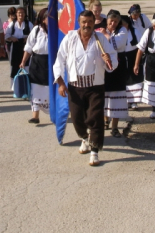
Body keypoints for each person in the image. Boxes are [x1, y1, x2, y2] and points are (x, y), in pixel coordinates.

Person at [53, 10, 118, 166]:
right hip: (75, 86)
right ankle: (84, 137)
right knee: (77, 118)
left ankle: (95, 151)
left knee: (95, 118)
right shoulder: (70, 38)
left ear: (93, 22)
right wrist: (61, 82)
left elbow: (113, 60)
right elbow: (59, 60)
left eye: (89, 22)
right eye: (83, 22)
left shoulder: (100, 38)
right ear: (79, 22)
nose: (86, 25)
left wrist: (108, 60)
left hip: (95, 86)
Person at [100, 10, 128, 138]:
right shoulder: (100, 30)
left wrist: (106, 35)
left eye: (116, 21)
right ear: (107, 20)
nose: (113, 23)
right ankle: (105, 120)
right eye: (111, 20)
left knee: (117, 95)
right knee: (105, 94)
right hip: (104, 66)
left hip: (119, 66)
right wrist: (104, 35)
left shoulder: (122, 31)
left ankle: (115, 127)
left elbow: (116, 45)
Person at [19, 8, 49, 124]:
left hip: (50, 62)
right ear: (43, 19)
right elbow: (28, 47)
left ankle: (54, 113)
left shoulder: (56, 30)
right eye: (48, 18)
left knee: (48, 89)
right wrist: (23, 61)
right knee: (36, 89)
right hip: (37, 63)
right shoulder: (36, 30)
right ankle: (35, 116)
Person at [5, 6, 34, 86]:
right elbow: (6, 35)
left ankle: (26, 86)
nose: (20, 14)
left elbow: (34, 35)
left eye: (22, 13)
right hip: (15, 47)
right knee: (14, 66)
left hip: (25, 47)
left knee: (27, 65)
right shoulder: (12, 24)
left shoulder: (29, 24)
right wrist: (12, 38)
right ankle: (15, 87)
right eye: (19, 13)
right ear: (16, 14)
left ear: (25, 14)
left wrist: (27, 38)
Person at [121, 15, 144, 110]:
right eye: (121, 24)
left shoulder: (135, 32)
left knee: (135, 79)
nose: (123, 26)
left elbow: (141, 46)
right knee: (124, 80)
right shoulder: (117, 32)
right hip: (122, 57)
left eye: (125, 24)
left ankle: (134, 101)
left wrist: (137, 63)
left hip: (134, 57)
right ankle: (126, 101)